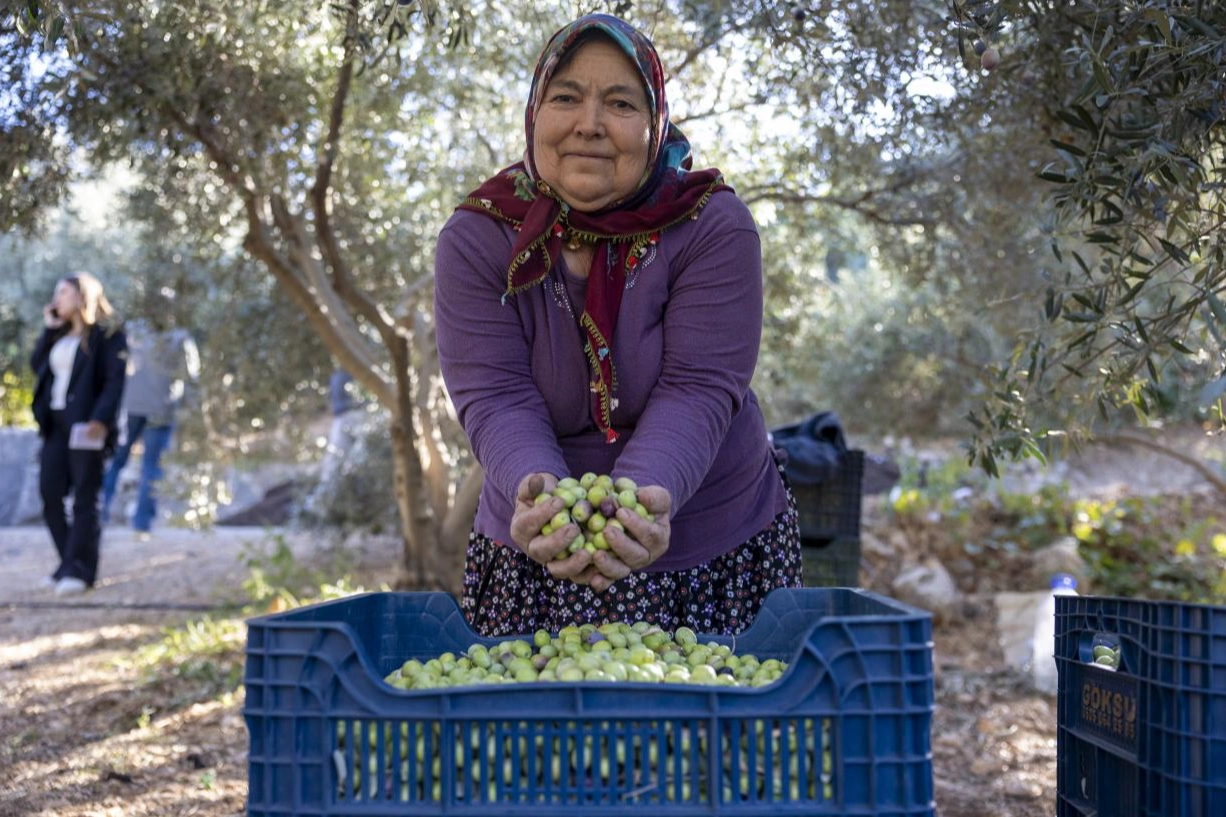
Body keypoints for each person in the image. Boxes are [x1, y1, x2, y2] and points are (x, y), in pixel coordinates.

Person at [434, 14, 801, 637]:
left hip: (709, 540)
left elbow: (698, 386)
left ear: (654, 123)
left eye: (621, 103)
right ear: (535, 112)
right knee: (544, 732)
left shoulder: (712, 226)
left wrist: (638, 508)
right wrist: (541, 496)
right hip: (536, 555)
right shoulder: (479, 236)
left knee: (709, 730)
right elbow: (494, 394)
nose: (589, 124)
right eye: (567, 97)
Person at [29, 273, 127, 595]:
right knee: (50, 494)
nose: (57, 299)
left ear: (81, 296)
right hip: (55, 424)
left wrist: (101, 419)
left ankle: (81, 571)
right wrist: (49, 328)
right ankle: (68, 563)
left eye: (64, 293)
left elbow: (114, 380)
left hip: (87, 424)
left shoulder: (107, 334)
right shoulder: (58, 335)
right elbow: (36, 367)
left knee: (85, 496)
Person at [100, 311, 200, 534]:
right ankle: (142, 523)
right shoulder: (179, 338)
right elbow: (191, 377)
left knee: (116, 461)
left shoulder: (131, 334)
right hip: (161, 410)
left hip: (130, 408)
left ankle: (100, 512)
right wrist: (192, 409)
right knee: (151, 467)